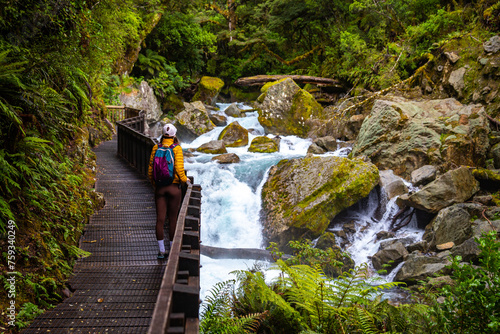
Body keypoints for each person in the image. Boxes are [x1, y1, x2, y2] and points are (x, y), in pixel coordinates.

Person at [148, 123, 190, 259]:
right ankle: (172, 249)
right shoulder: (177, 148)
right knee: (173, 219)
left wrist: (154, 184)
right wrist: (185, 180)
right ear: (174, 135)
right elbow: (178, 168)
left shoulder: (156, 147)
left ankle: (161, 251)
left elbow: (150, 168)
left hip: (160, 188)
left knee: (160, 220)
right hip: (174, 188)